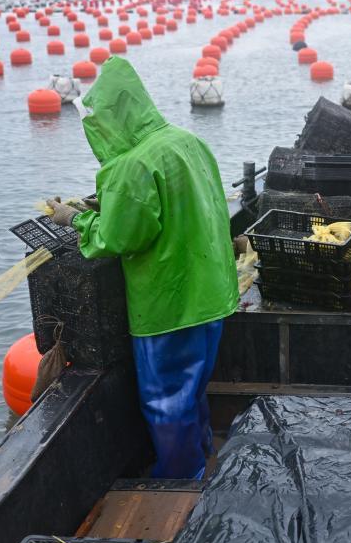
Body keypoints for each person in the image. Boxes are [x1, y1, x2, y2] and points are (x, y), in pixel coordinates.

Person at [48, 57, 238, 480]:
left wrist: (76, 219)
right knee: (192, 391)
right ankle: (201, 457)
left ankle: (182, 480)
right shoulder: (185, 140)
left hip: (169, 305)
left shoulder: (130, 165)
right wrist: (107, 204)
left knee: (166, 400)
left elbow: (117, 238)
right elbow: (179, 202)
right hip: (212, 293)